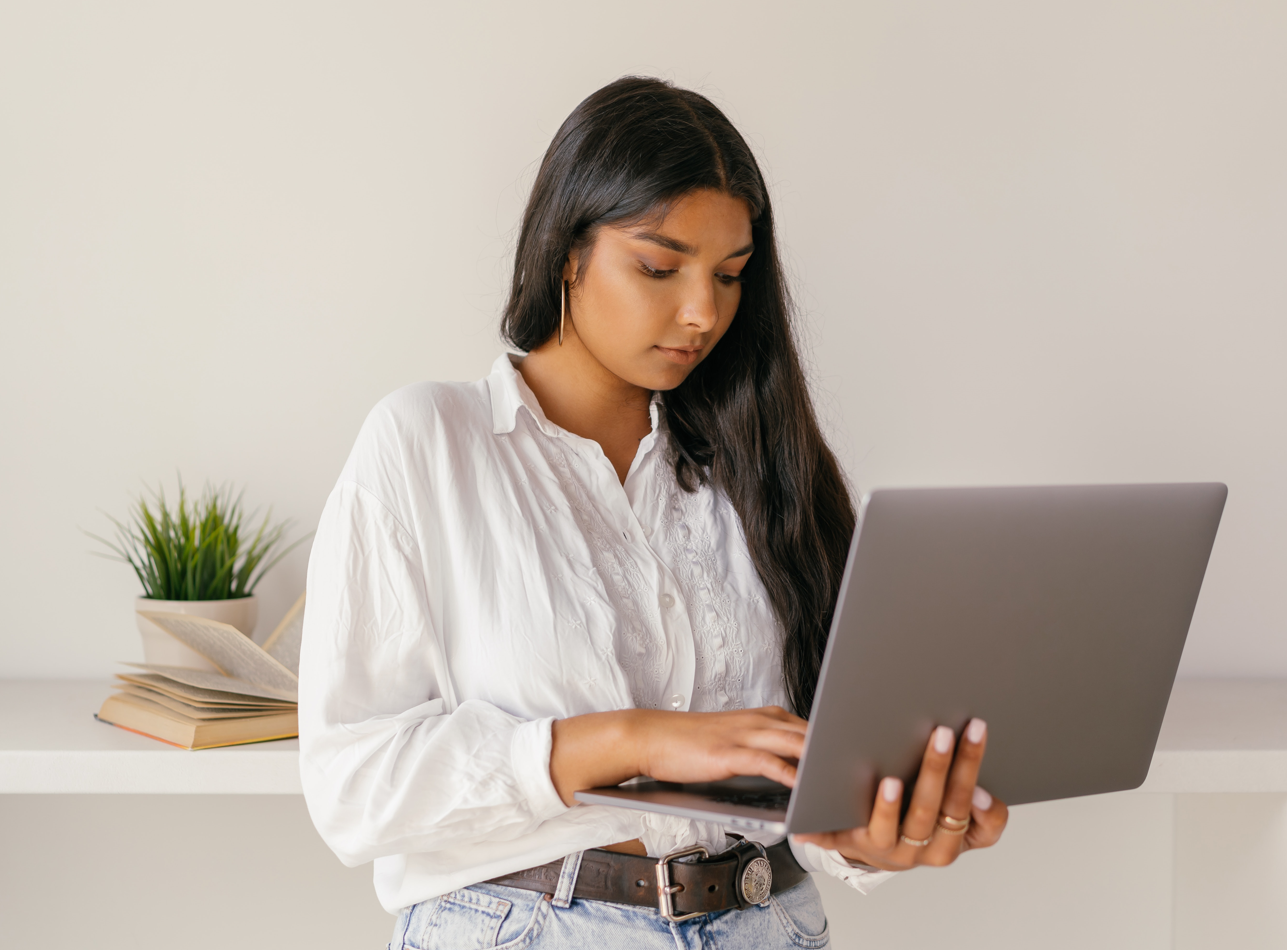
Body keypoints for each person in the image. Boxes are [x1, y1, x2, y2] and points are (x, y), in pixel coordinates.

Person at [300, 75, 1009, 949]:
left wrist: (872, 834)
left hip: (769, 919)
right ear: (566, 251)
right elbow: (353, 788)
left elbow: (808, 768)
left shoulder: (763, 468)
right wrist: (637, 741)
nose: (702, 311)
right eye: (658, 266)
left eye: (730, 275)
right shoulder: (427, 442)